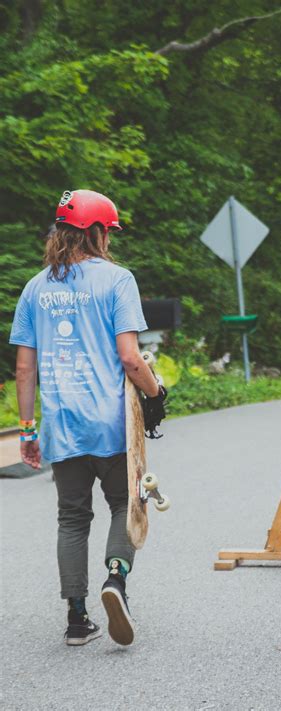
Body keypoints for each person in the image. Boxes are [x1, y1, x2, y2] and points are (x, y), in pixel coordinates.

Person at [10, 189, 166, 647]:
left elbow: (24, 368)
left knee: (72, 519)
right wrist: (156, 394)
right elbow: (130, 359)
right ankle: (115, 579)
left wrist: (27, 430)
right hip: (111, 424)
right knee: (124, 503)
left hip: (63, 423)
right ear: (98, 232)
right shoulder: (117, 281)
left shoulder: (35, 288)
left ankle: (76, 618)